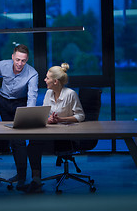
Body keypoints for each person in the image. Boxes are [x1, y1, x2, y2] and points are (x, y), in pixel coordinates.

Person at [0, 44, 38, 190]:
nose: (20, 64)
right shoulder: (3, 65)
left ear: (27, 60)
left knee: (19, 140)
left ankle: (21, 177)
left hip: (20, 104)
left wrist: (27, 115)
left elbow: (32, 96)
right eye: (18, 59)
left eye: (24, 61)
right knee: (13, 141)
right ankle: (20, 174)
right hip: (4, 103)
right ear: (13, 57)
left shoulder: (32, 73)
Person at [24, 62, 85, 193]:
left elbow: (80, 116)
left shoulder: (70, 94)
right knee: (33, 145)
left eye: (47, 78)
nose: (45, 80)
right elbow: (46, 114)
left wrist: (61, 119)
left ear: (55, 81)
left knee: (35, 145)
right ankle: (36, 179)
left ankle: (36, 179)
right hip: (51, 133)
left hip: (67, 137)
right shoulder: (48, 93)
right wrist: (49, 119)